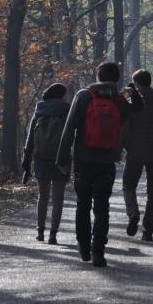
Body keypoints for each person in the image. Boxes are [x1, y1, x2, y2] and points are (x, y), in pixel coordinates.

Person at [56, 62, 134, 267]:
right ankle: (98, 251)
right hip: (106, 161)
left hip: (83, 160)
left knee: (83, 204)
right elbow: (136, 111)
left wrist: (63, 160)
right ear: (116, 79)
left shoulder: (83, 96)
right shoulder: (119, 101)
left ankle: (84, 247)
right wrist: (130, 93)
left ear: (98, 76)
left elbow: (69, 129)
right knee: (102, 207)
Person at [120, 70, 153, 242]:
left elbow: (125, 129)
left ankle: (133, 213)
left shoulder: (132, 104)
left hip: (135, 152)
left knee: (129, 186)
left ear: (136, 83)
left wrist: (126, 145)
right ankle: (148, 231)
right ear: (150, 82)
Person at [21, 83, 71, 244]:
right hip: (61, 158)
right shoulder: (67, 109)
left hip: (40, 157)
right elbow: (72, 136)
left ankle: (40, 231)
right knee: (58, 198)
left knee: (42, 197)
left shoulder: (39, 109)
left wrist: (26, 158)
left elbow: (30, 137)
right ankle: (53, 234)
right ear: (62, 95)